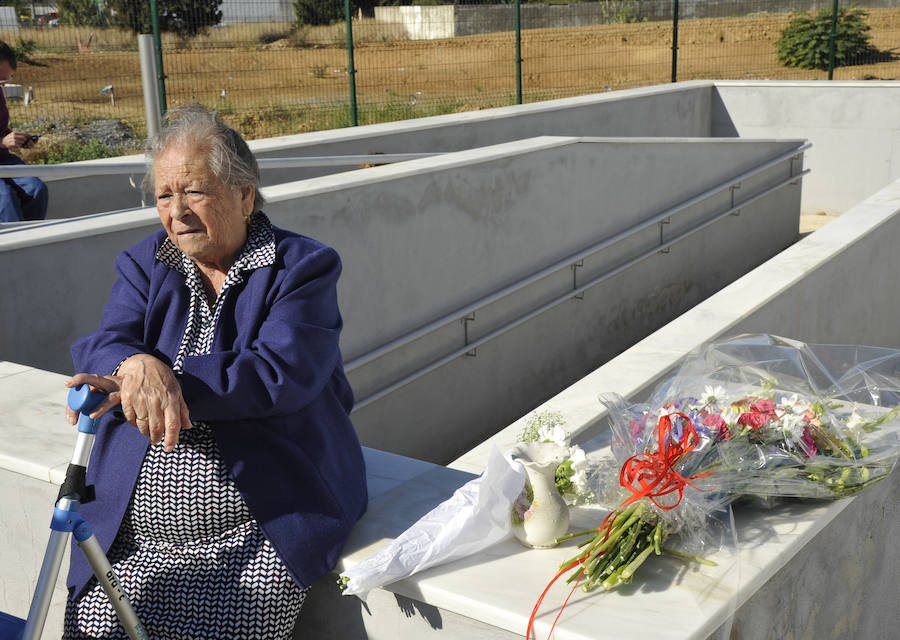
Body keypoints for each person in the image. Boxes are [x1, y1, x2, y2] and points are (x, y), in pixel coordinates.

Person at [62, 104, 367, 639]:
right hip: (135, 535)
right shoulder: (146, 263)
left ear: (244, 195)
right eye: (163, 195)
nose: (176, 212)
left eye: (194, 192)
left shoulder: (302, 267)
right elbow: (105, 340)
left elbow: (280, 371)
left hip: (258, 526)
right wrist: (133, 364)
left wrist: (169, 380)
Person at [0, 40, 47, 222]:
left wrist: (16, 138)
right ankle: (15, 246)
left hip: (3, 158)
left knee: (37, 189)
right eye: (1, 79)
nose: (3, 86)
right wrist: (3, 142)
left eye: (8, 79)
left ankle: (31, 239)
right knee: (4, 198)